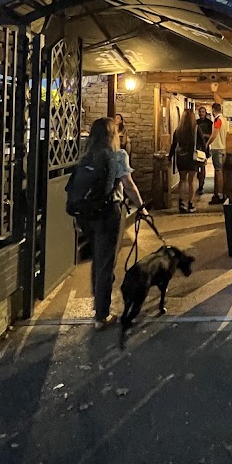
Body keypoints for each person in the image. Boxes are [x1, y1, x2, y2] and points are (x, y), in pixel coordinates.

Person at [81, 117, 146, 331]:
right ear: (113, 134)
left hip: (88, 214)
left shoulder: (88, 154)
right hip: (109, 212)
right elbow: (128, 184)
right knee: (106, 261)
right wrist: (141, 207)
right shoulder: (118, 155)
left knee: (97, 258)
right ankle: (102, 314)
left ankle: (97, 300)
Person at [169, 108, 209, 214]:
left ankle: (181, 202)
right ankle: (191, 203)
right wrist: (205, 155)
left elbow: (173, 145)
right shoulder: (196, 129)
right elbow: (203, 144)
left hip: (181, 157)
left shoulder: (178, 130)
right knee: (192, 180)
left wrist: (170, 157)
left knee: (182, 180)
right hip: (192, 157)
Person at [208, 101, 228, 205]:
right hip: (223, 147)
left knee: (218, 171)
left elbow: (214, 134)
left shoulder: (218, 120)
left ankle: (219, 194)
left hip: (217, 148)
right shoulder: (225, 120)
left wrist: (207, 143)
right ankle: (220, 193)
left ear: (213, 110)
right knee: (220, 171)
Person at [195, 106, 213, 195]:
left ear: (205, 113)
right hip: (195, 146)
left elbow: (212, 135)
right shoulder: (195, 122)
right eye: (200, 112)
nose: (201, 113)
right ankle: (199, 183)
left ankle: (201, 185)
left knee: (202, 166)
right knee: (195, 167)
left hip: (204, 146)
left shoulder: (210, 123)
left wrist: (203, 135)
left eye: (203, 112)